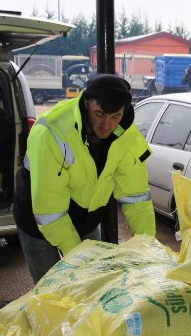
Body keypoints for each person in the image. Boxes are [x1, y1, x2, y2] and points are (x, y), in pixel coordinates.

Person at [13, 74, 156, 283]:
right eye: (99, 114)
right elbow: (49, 209)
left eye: (115, 116)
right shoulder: (52, 131)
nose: (106, 125)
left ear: (124, 111)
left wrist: (148, 248)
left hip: (86, 219)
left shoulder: (127, 136)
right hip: (39, 220)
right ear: (86, 102)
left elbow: (136, 198)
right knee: (52, 291)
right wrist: (79, 258)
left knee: (92, 284)